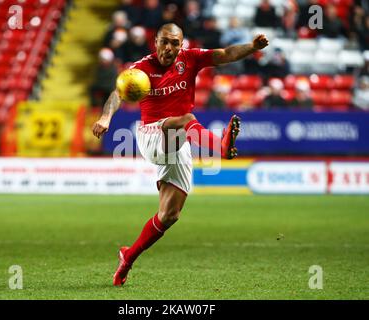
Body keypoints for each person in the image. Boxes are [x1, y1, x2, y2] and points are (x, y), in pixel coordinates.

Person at [92, 23, 269, 286]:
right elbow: (117, 93)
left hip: (179, 142)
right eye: (165, 42)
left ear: (181, 44)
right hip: (152, 135)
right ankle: (220, 147)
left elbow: (226, 54)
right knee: (186, 119)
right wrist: (106, 118)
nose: (170, 48)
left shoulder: (191, 59)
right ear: (156, 42)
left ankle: (127, 257)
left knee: (169, 215)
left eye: (175, 43)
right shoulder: (141, 68)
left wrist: (252, 47)